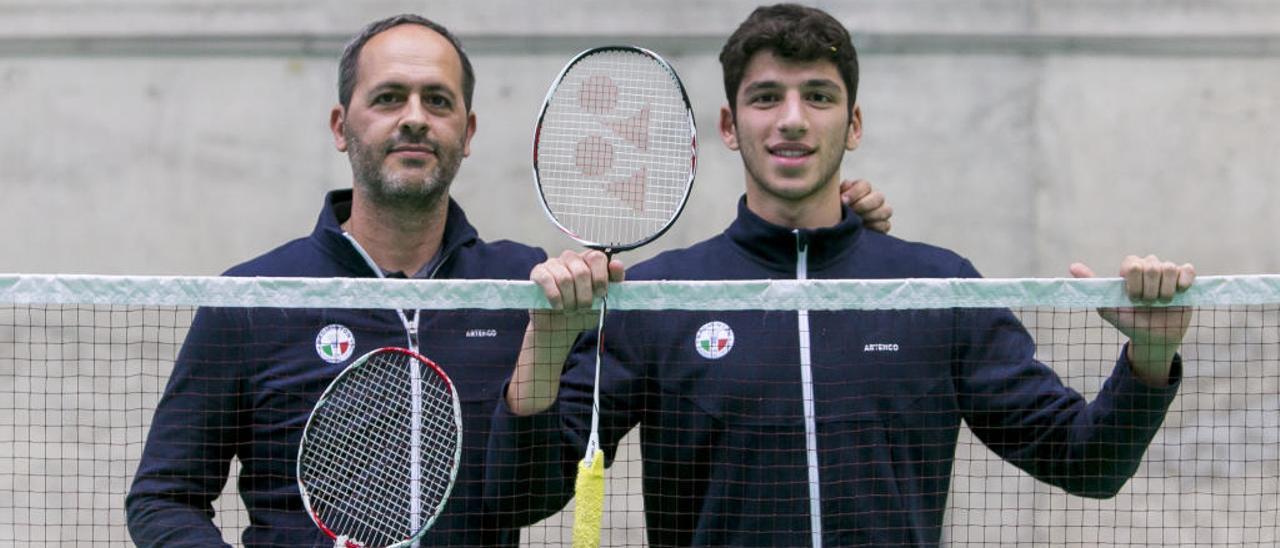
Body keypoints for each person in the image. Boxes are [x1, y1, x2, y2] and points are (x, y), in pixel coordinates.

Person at [124, 13, 894, 547]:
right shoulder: (257, 298)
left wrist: (840, 237)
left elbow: (531, 496)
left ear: (469, 130)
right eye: (388, 98)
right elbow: (163, 497)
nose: (414, 118)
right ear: (342, 126)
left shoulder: (530, 291)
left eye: (438, 101)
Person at [489, 4, 1197, 546]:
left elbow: (1086, 463)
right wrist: (546, 345)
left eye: (818, 97)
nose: (792, 120)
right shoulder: (659, 298)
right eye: (766, 97)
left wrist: (1151, 358)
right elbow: (524, 497)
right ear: (730, 126)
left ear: (852, 123)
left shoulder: (936, 290)